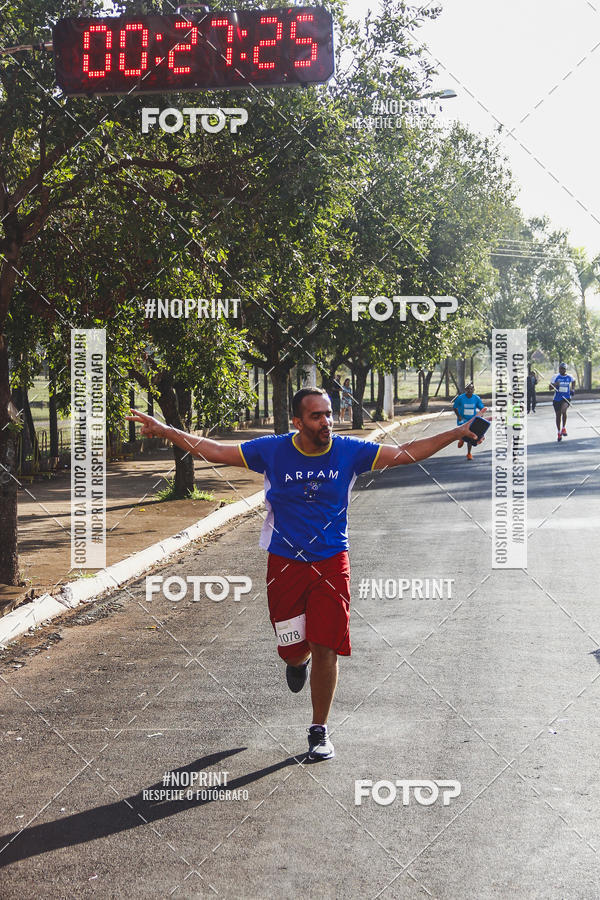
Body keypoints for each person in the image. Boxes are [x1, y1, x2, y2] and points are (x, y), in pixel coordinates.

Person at [126, 389, 482, 762]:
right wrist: (166, 430)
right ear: (297, 422)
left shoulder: (349, 451)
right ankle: (297, 662)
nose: (326, 422)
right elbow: (213, 450)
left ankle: (319, 729)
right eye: (316, 416)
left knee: (326, 646)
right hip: (285, 564)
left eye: (328, 414)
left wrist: (455, 432)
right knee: (294, 649)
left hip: (331, 561)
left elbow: (406, 452)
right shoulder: (273, 451)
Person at [452, 383, 486, 460]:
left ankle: (469, 453)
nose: (469, 390)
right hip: (463, 419)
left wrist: (481, 414)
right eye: (468, 389)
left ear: (473, 390)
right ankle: (461, 439)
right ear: (465, 390)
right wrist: (459, 416)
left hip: (472, 420)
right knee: (463, 433)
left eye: (471, 389)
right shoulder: (460, 398)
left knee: (469, 437)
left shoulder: (476, 398)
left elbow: (481, 408)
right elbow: (455, 407)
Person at [550, 363, 575, 441]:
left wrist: (572, 389)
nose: (562, 370)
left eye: (563, 369)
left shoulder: (569, 377)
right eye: (560, 368)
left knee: (563, 411)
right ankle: (559, 432)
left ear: (565, 369)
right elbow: (550, 388)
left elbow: (574, 381)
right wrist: (555, 384)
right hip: (557, 399)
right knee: (558, 415)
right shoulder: (555, 377)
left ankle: (563, 428)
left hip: (566, 397)